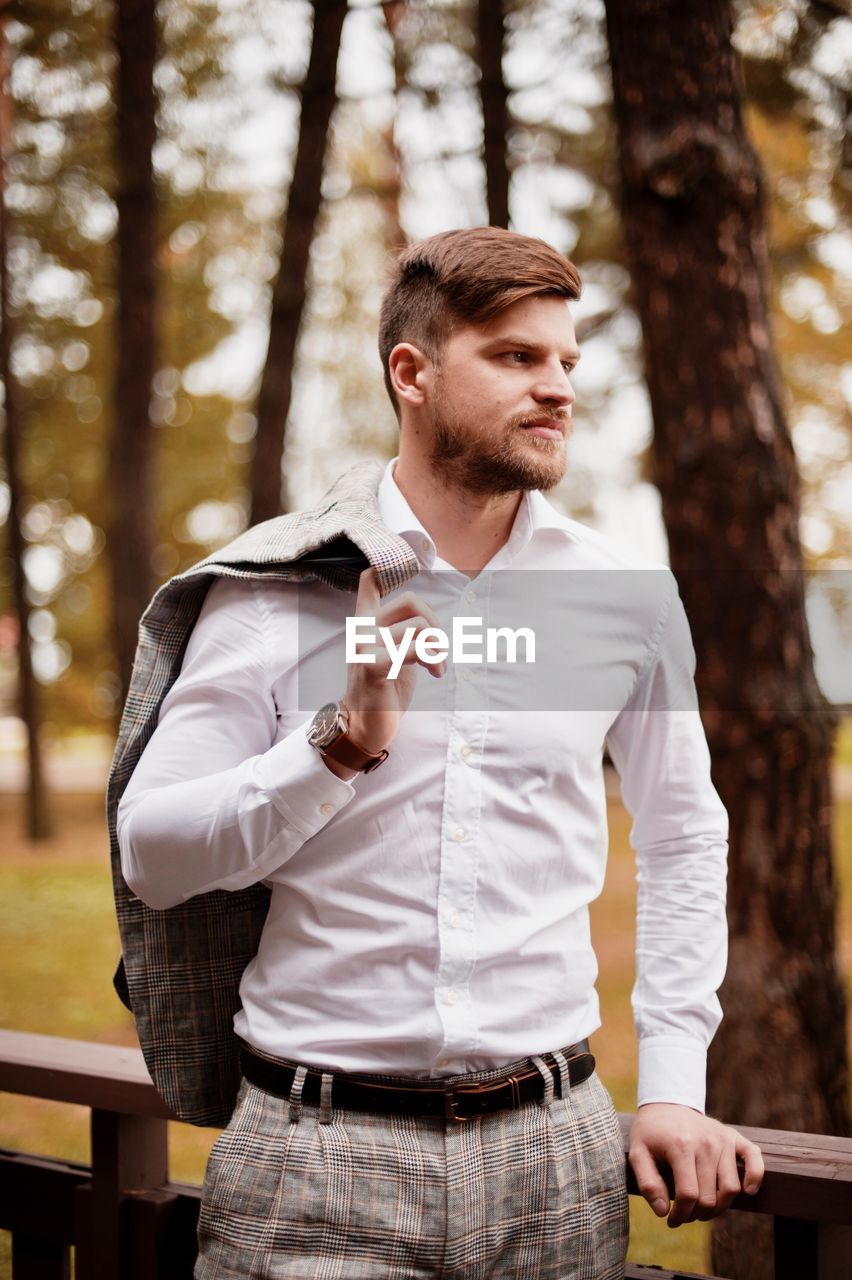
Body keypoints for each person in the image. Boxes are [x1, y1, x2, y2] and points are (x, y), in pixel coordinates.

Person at [115, 226, 764, 1279]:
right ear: (409, 373)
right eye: (515, 357)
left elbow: (686, 838)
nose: (556, 387)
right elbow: (153, 849)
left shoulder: (621, 597)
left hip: (558, 1160)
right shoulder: (274, 589)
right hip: (317, 1163)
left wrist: (676, 1087)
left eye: (566, 362)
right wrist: (340, 740)